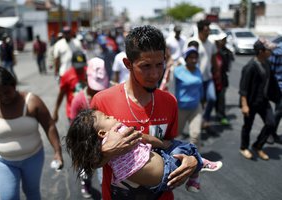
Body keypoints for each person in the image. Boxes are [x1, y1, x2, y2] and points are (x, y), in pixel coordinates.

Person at [90, 25, 200, 200]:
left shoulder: (169, 102)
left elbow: (170, 145)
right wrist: (107, 152)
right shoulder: (102, 102)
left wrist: (191, 161)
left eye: (159, 64)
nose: (155, 74)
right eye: (146, 66)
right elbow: (87, 161)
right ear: (128, 64)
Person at [66, 109, 222, 195]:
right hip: (168, 169)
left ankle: (196, 168)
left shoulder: (97, 145)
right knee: (185, 148)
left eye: (158, 64)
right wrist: (163, 143)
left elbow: (88, 161)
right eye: (107, 117)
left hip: (154, 187)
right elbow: (145, 138)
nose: (112, 116)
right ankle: (198, 169)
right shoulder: (117, 131)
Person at [0, 67, 63, 200]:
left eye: (7, 92)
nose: (3, 98)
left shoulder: (32, 101)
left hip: (33, 158)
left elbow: (49, 125)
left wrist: (57, 151)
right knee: (8, 197)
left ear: (14, 85)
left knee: (32, 192)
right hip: (3, 161)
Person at [70, 57, 109, 198]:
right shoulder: (79, 99)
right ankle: (85, 184)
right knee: (85, 169)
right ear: (87, 80)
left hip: (104, 144)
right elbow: (73, 124)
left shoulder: (108, 94)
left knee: (103, 172)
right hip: (85, 143)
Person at [239, 39, 280, 160]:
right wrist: (244, 105)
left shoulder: (267, 63)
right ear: (261, 51)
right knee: (248, 126)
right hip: (251, 102)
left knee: (271, 123)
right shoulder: (250, 67)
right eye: (268, 50)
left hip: (264, 101)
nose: (271, 52)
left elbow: (272, 81)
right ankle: (243, 147)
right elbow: (243, 88)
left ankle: (258, 145)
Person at [186, 20, 218, 129]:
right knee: (199, 101)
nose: (208, 31)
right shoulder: (192, 42)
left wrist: (217, 71)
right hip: (195, 79)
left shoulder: (211, 43)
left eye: (209, 29)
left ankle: (206, 119)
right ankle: (195, 122)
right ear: (200, 30)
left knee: (212, 98)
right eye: (206, 29)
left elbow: (214, 58)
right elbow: (185, 58)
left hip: (208, 78)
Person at [53, 50, 88, 122]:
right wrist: (56, 110)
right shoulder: (67, 75)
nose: (80, 69)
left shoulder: (89, 72)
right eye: (77, 67)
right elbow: (61, 94)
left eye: (81, 67)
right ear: (72, 64)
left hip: (88, 111)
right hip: (73, 113)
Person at [213, 33, 234, 125]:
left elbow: (228, 63)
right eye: (222, 40)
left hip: (222, 78)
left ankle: (221, 115)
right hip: (212, 79)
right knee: (212, 98)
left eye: (224, 39)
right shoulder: (213, 51)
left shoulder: (226, 51)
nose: (223, 41)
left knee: (221, 97)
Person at [160, 25, 186, 93]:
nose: (178, 33)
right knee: (170, 83)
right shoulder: (169, 40)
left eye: (179, 32)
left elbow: (184, 52)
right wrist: (170, 59)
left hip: (181, 63)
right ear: (175, 31)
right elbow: (166, 51)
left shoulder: (183, 39)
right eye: (177, 32)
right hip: (172, 64)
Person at [268, 41, 282, 144]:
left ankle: (272, 133)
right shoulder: (277, 52)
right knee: (278, 111)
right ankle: (269, 133)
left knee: (279, 111)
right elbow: (270, 71)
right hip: (279, 86)